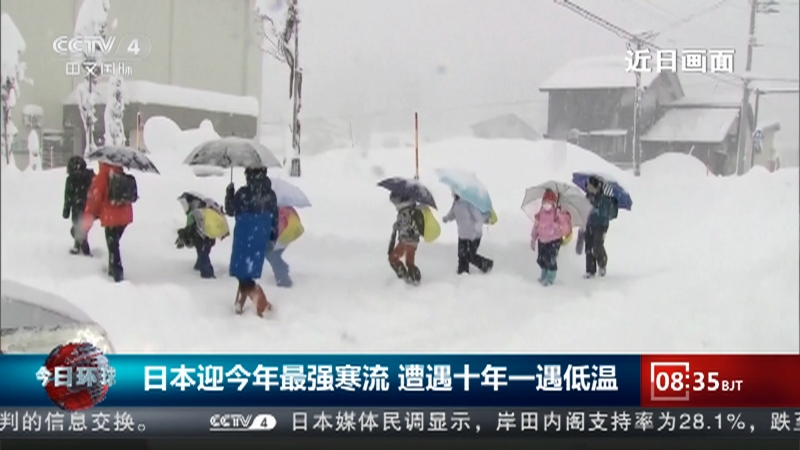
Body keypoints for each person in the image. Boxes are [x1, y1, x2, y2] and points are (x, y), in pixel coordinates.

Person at [225, 166, 277, 317]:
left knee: (244, 276)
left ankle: (262, 304)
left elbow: (229, 209)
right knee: (246, 272)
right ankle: (239, 304)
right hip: (259, 238)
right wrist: (272, 237)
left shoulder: (243, 193)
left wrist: (229, 193)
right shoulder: (270, 195)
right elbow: (274, 217)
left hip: (243, 238)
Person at [82, 162, 136, 282]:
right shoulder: (120, 172)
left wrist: (87, 220)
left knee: (113, 245)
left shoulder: (102, 176)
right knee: (114, 243)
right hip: (125, 217)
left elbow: (94, 200)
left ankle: (117, 273)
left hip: (111, 217)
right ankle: (112, 268)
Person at [175, 196, 228, 279]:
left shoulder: (195, 213)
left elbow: (190, 228)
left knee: (203, 254)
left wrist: (183, 236)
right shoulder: (207, 210)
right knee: (204, 253)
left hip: (201, 238)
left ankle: (208, 274)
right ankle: (199, 266)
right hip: (210, 237)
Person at [442, 192, 493, 274]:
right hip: (462, 235)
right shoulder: (456, 204)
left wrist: (477, 226)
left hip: (473, 235)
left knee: (469, 255)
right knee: (462, 255)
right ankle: (462, 272)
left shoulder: (469, 204)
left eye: (455, 193)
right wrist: (446, 218)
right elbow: (452, 214)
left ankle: (486, 265)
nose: (453, 195)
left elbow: (479, 218)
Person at [530, 189, 572, 286]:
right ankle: (543, 274)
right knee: (542, 258)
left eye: (548, 202)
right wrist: (533, 238)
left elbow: (565, 227)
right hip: (542, 240)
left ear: (553, 203)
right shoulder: (540, 214)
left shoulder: (557, 214)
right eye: (544, 202)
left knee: (550, 258)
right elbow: (536, 226)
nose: (546, 204)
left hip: (554, 240)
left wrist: (557, 226)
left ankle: (550, 277)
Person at [583, 176, 618, 278]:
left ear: (598, 187)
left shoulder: (605, 198)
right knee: (588, 247)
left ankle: (602, 263)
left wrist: (600, 209)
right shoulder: (587, 197)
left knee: (597, 245)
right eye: (588, 186)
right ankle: (590, 270)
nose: (589, 188)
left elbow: (611, 213)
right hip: (589, 224)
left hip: (601, 225)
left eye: (591, 186)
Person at [387, 192, 423, 285]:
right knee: (409, 263)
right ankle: (415, 276)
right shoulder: (414, 210)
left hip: (405, 242)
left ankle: (404, 278)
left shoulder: (404, 212)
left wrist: (397, 225)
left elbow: (405, 226)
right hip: (414, 242)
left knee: (393, 259)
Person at [62, 156, 94, 255]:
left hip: (77, 206)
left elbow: (68, 197)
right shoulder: (90, 176)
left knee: (76, 226)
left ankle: (82, 245)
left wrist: (66, 210)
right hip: (89, 206)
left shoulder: (71, 179)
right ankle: (78, 244)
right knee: (83, 226)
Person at [264, 206, 303, 288]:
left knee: (272, 255)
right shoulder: (285, 208)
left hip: (281, 236)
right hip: (284, 235)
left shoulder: (281, 209)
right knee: (272, 255)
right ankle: (282, 272)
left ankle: (283, 278)